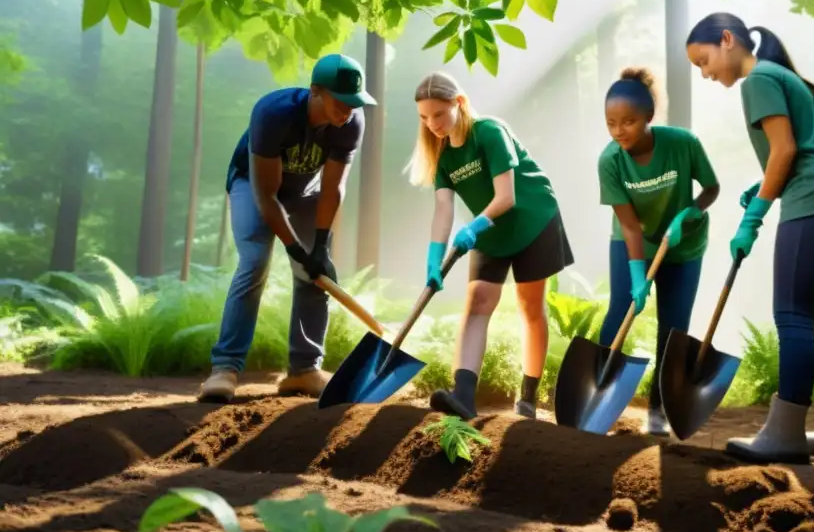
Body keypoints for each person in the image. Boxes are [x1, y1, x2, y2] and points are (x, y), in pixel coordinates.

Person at [686, 12, 814, 464]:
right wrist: (765, 185)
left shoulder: (758, 81)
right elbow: (792, 150)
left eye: (705, 60)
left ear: (727, 40)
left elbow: (787, 151)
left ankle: (786, 431)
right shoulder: (779, 76)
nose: (706, 73)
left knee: (791, 312)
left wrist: (754, 214)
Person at [198, 53, 375, 404]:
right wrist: (294, 248)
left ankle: (304, 370)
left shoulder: (351, 122)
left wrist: (320, 246)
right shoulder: (274, 113)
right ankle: (225, 369)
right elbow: (267, 195)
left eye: (354, 103)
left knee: (317, 273)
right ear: (315, 92)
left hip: (306, 191)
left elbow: (332, 188)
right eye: (340, 102)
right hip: (254, 187)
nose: (348, 110)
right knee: (254, 262)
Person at [408, 71, 573, 420]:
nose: (432, 123)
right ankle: (464, 397)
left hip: (533, 221)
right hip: (490, 231)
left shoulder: (489, 132)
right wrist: (434, 259)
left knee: (530, 306)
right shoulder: (444, 157)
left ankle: (527, 395)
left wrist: (473, 228)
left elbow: (507, 197)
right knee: (478, 300)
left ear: (459, 103)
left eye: (438, 114)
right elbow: (442, 210)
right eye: (424, 117)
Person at [597, 67, 720, 436]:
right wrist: (638, 274)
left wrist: (691, 212)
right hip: (632, 242)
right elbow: (630, 225)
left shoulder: (683, 143)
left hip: (684, 244)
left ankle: (658, 407)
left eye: (629, 122)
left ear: (649, 116)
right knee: (621, 309)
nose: (619, 131)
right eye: (611, 123)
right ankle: (601, 395)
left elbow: (711, 187)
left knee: (674, 326)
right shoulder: (610, 161)